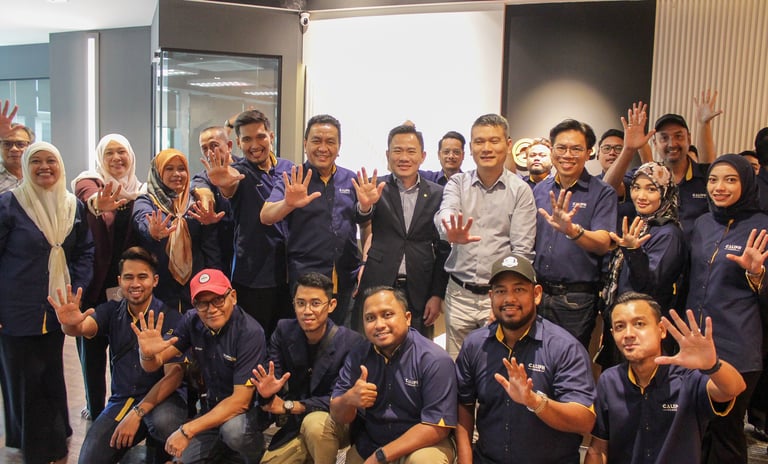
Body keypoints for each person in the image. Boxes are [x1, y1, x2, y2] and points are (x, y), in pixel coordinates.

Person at [0, 141, 94, 464]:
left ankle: (54, 430)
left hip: (56, 307)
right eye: (36, 161)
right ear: (26, 167)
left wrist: (73, 290)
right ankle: (39, 447)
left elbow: (85, 252)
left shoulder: (71, 206)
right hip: (16, 306)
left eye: (51, 161)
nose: (44, 167)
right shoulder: (10, 204)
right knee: (22, 376)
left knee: (50, 371)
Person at [47, 247, 186, 464]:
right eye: (129, 277)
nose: (136, 284)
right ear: (120, 281)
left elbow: (174, 376)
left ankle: (163, 454)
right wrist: (68, 325)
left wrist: (137, 413)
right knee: (89, 460)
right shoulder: (112, 310)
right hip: (123, 400)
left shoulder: (171, 318)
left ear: (155, 280)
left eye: (143, 277)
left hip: (163, 400)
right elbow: (84, 327)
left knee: (164, 423)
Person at [455, 253, 596, 463]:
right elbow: (463, 404)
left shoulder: (564, 347)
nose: (509, 299)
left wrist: (534, 401)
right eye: (501, 291)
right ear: (491, 296)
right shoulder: (475, 344)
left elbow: (584, 421)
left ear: (537, 294)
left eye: (519, 289)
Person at [585, 292, 747, 464]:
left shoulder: (686, 377)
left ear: (661, 330)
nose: (628, 334)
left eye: (639, 324)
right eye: (619, 327)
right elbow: (598, 448)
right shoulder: (610, 380)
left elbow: (733, 388)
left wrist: (712, 365)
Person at [133, 268, 267, 463]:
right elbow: (156, 363)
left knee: (233, 432)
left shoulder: (250, 332)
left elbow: (241, 401)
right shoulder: (191, 320)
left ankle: (255, 456)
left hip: (244, 414)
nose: (211, 309)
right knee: (183, 458)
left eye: (218, 300)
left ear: (233, 297)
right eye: (202, 303)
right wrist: (146, 354)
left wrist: (188, 430)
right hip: (210, 409)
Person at [686, 154, 768, 463]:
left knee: (725, 427)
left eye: (730, 180)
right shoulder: (704, 223)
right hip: (696, 343)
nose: (719, 187)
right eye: (713, 179)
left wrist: (758, 274)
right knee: (696, 425)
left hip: (737, 345)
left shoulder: (762, 226)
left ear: (746, 183)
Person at [435, 113, 537, 358]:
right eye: (479, 142)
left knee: (495, 364)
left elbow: (522, 251)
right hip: (459, 292)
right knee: (456, 366)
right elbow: (445, 212)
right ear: (470, 148)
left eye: (494, 141)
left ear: (508, 145)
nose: (486, 148)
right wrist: (450, 229)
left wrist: (505, 296)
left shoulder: (520, 190)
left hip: (499, 293)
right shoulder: (458, 183)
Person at [331, 286, 457, 463]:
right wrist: (349, 399)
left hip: (423, 445)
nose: (379, 324)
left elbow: (436, 427)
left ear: (407, 318)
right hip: (372, 442)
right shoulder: (357, 355)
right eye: (370, 318)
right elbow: (337, 414)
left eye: (387, 315)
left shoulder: (434, 359)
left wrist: (381, 456)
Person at [261, 114, 364, 326]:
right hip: (306, 279)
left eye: (330, 142)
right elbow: (266, 216)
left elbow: (366, 225)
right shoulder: (293, 177)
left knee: (344, 339)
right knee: (307, 339)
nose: (323, 148)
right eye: (316, 141)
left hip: (346, 277)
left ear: (339, 146)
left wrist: (365, 262)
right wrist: (288, 203)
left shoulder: (350, 179)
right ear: (305, 143)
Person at [71, 133, 146, 420]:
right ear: (100, 158)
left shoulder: (140, 190)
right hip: (93, 285)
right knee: (91, 350)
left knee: (123, 349)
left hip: (126, 287)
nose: (117, 158)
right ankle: (95, 407)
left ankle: (119, 405)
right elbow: (88, 196)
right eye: (110, 153)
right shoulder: (90, 182)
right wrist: (97, 203)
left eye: (122, 152)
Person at [253, 272, 365, 463]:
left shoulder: (350, 342)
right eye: (300, 303)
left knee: (314, 425)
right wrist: (266, 393)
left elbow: (337, 399)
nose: (307, 311)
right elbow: (272, 391)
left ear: (331, 306)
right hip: (295, 424)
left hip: (336, 420)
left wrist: (292, 407)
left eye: (315, 303)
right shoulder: (284, 331)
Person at [204, 110, 294, 335]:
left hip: (290, 274)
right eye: (247, 139)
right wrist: (223, 184)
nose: (255, 144)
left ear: (271, 137)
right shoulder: (239, 173)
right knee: (254, 338)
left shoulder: (287, 167)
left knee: (286, 340)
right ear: (238, 143)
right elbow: (228, 184)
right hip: (254, 277)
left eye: (260, 137)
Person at [354, 124, 450, 335]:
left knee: (417, 350)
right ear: (388, 155)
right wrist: (365, 205)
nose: (404, 157)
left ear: (423, 156)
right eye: (397, 151)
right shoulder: (376, 187)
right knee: (371, 344)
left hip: (420, 287)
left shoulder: (438, 193)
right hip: (379, 281)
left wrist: (437, 294)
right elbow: (361, 217)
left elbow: (443, 248)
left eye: (411, 151)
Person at [534, 119, 616, 348]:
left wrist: (572, 231)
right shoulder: (540, 190)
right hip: (537, 293)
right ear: (551, 150)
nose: (567, 155)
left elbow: (603, 242)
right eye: (561, 148)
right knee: (535, 364)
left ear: (589, 152)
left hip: (576, 300)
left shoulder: (602, 193)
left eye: (576, 149)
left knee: (569, 365)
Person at [598, 161, 687, 367]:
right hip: (622, 319)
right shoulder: (641, 223)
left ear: (665, 193)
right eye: (636, 187)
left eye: (651, 189)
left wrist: (633, 251)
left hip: (644, 326)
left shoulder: (668, 233)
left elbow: (650, 285)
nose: (641, 196)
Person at [132, 148, 222, 311]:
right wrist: (152, 231)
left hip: (196, 287)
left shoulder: (198, 201)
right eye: (169, 168)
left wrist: (214, 280)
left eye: (181, 169)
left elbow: (211, 247)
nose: (177, 174)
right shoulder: (147, 200)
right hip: (160, 288)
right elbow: (142, 219)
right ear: (158, 172)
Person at [192, 125, 238, 278]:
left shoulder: (245, 170)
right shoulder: (203, 177)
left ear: (229, 146)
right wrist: (206, 209)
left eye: (214, 145)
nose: (209, 152)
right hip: (218, 253)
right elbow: (202, 191)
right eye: (204, 148)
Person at [0, 123, 33, 193]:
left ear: (31, 146)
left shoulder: (38, 174)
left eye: (20, 144)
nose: (14, 149)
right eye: (7, 144)